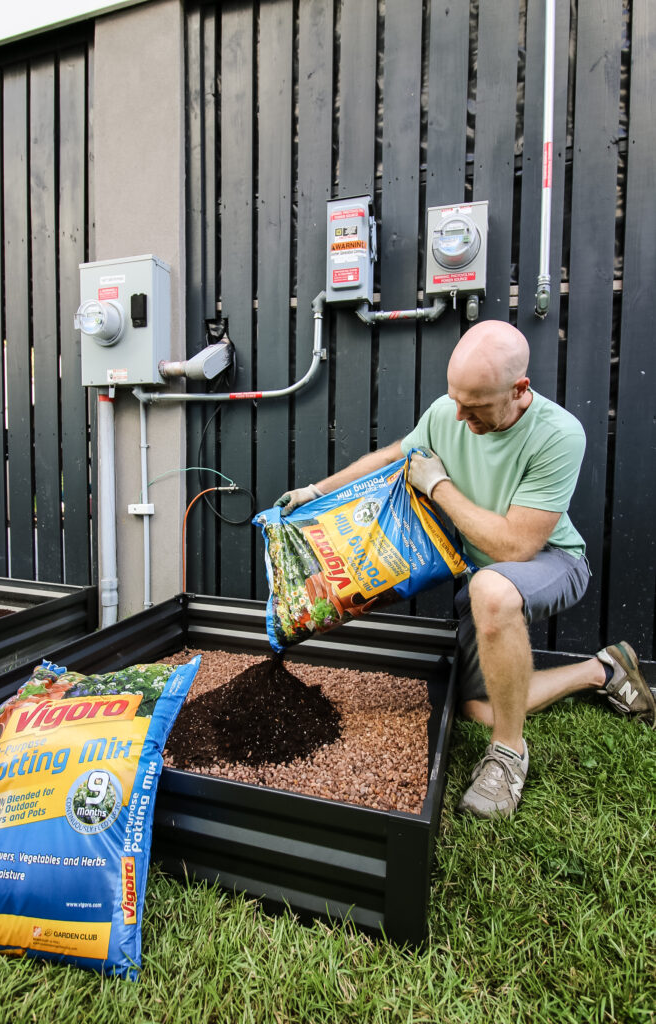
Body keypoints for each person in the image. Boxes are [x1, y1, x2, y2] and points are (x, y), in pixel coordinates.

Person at [275, 319, 656, 819]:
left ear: (519, 389)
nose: (457, 416)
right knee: (477, 707)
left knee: (493, 587)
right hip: (484, 580)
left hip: (552, 562)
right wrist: (314, 492)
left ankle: (508, 755)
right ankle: (601, 670)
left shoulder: (559, 433)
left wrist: (438, 486)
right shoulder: (447, 412)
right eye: (454, 400)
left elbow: (516, 547)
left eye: (473, 406)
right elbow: (393, 456)